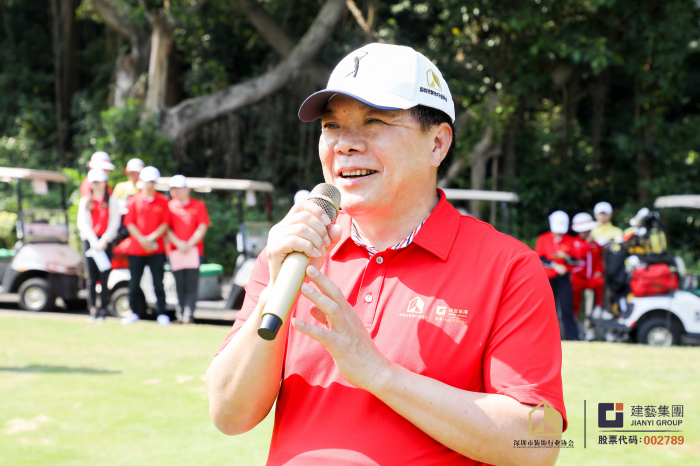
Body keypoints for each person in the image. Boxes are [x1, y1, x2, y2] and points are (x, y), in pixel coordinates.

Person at [206, 43, 566, 466]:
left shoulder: (508, 266)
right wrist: (274, 293)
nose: (345, 144)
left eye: (374, 121)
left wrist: (378, 373)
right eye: (331, 125)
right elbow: (229, 414)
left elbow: (537, 442)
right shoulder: (291, 253)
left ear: (437, 143)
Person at [121, 166, 171, 326]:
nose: (149, 184)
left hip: (156, 250)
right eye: (147, 181)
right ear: (141, 181)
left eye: (152, 181)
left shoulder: (163, 200)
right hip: (136, 249)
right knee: (134, 282)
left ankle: (161, 313)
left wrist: (151, 238)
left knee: (158, 282)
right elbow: (129, 223)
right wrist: (142, 239)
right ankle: (134, 312)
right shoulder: (133, 200)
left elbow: (165, 223)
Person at [77, 168, 121, 321]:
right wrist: (94, 241)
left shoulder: (112, 201)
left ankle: (103, 309)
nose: (97, 185)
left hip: (105, 243)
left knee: (104, 278)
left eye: (100, 182)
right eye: (94, 182)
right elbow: (83, 224)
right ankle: (93, 309)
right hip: (90, 242)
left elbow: (114, 222)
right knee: (91, 278)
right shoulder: (85, 201)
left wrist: (105, 239)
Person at [166, 175, 210, 324]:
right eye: (173, 189)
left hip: (194, 251)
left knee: (192, 284)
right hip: (175, 251)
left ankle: (188, 315)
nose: (176, 191)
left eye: (179, 188)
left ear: (187, 189)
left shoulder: (199, 205)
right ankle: (180, 314)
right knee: (178, 284)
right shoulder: (169, 206)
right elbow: (166, 228)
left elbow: (202, 227)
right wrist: (179, 244)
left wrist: (189, 244)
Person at [535, 211, 580, 341]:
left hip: (564, 278)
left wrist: (566, 257)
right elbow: (539, 257)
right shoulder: (543, 238)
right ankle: (545, 338)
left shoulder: (570, 240)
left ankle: (573, 338)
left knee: (567, 309)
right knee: (547, 309)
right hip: (548, 278)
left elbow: (576, 260)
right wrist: (554, 265)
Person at [570, 213, 607, 328]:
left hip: (590, 278)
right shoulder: (574, 242)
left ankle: (591, 323)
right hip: (577, 278)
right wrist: (587, 243)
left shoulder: (595, 244)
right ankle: (574, 326)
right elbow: (578, 255)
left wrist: (599, 271)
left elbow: (598, 260)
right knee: (574, 304)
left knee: (599, 284)